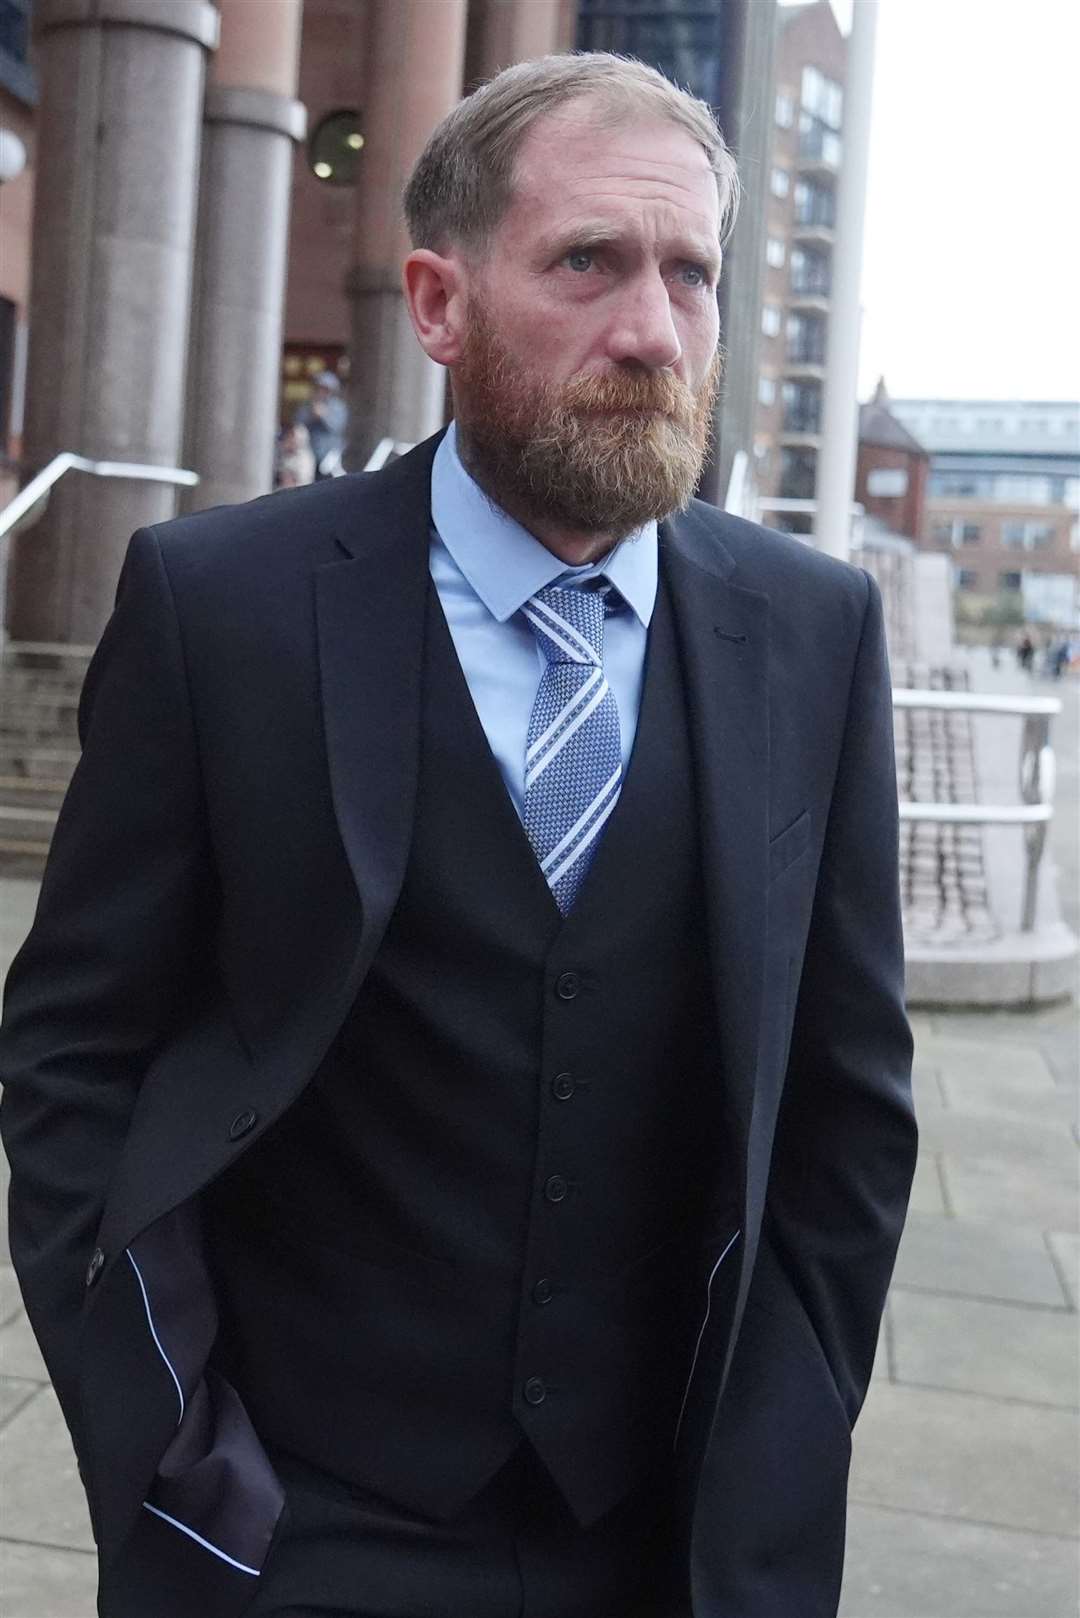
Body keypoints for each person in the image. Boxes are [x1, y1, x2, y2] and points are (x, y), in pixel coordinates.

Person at [0, 53, 916, 1618]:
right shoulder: (223, 607)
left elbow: (844, 1105)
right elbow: (73, 1051)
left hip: (665, 1535)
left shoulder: (811, 632)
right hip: (292, 1522)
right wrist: (167, 1443)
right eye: (588, 263)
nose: (652, 328)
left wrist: (782, 1452)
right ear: (436, 303)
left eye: (691, 272)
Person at [294, 369, 348, 478]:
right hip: (309, 451)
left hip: (330, 452)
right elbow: (298, 425)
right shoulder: (307, 405)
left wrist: (324, 416)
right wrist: (311, 416)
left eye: (325, 389)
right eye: (318, 388)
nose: (321, 392)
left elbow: (338, 427)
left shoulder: (338, 407)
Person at [273, 420, 316, 489]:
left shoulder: (305, 457)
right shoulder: (281, 452)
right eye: (289, 436)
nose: (289, 439)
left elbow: (302, 479)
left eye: (292, 437)